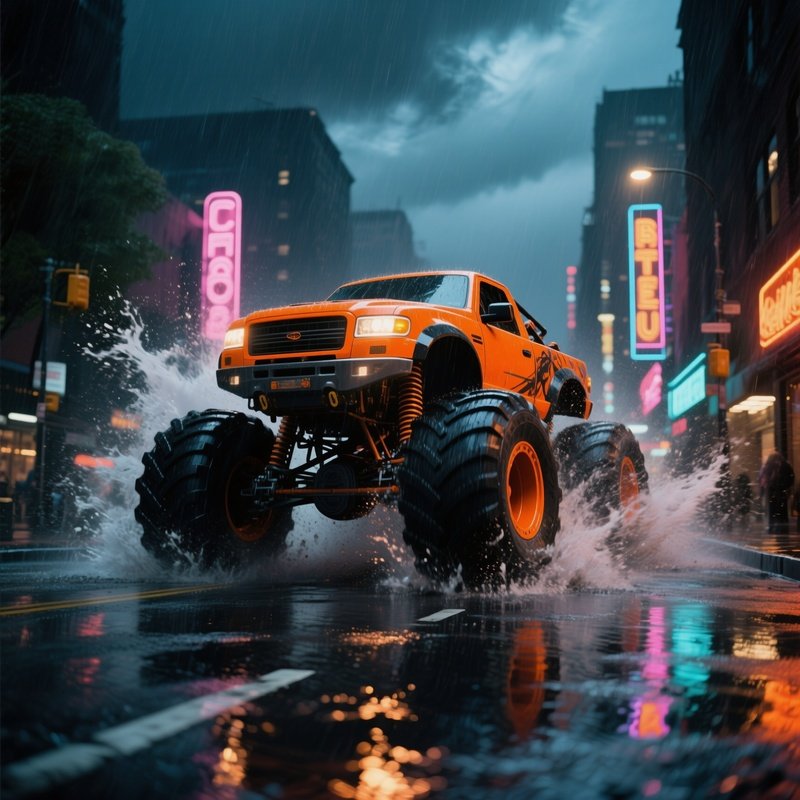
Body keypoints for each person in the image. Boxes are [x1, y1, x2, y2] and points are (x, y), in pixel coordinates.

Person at [758, 452, 795, 532]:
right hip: (781, 491)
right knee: (782, 510)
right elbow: (791, 478)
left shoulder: (767, 466)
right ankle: (782, 528)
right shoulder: (785, 465)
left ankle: (772, 527)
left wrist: (762, 492)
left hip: (771, 491)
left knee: (772, 510)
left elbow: (762, 480)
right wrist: (786, 487)